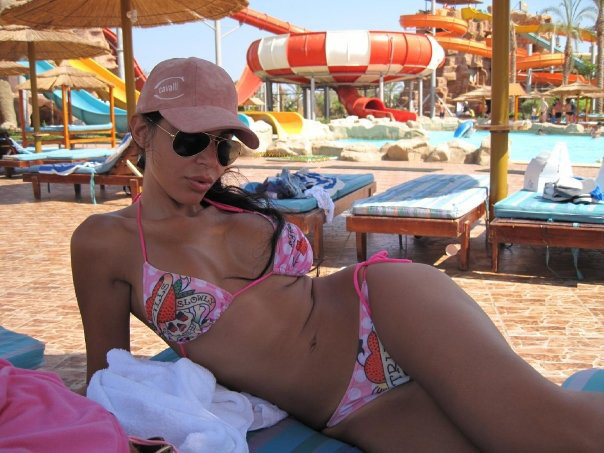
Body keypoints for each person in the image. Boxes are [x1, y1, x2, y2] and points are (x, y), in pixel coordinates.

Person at [72, 57, 604, 451]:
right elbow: (108, 381)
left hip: (387, 308)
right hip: (348, 408)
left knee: (545, 433)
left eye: (224, 146)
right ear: (142, 131)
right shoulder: (104, 243)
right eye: (191, 141)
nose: (209, 163)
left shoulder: (233, 209)